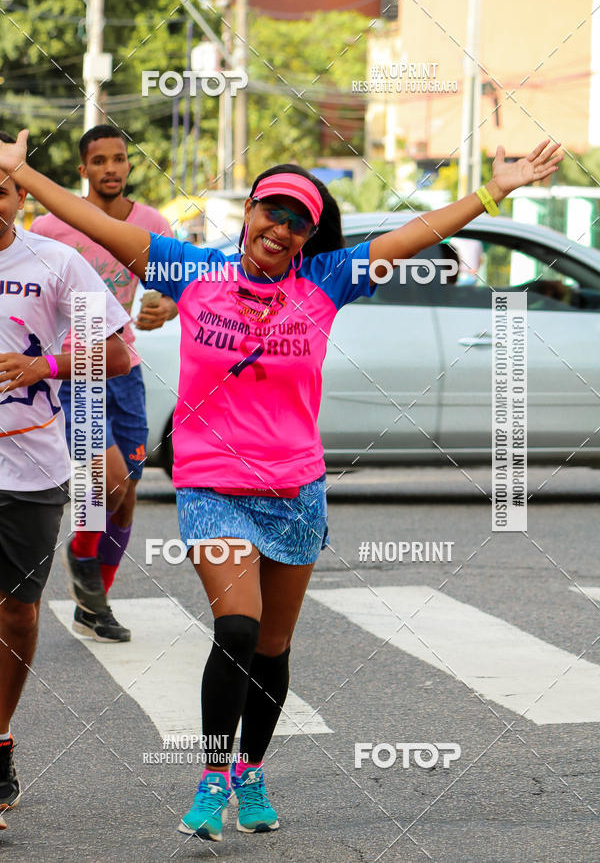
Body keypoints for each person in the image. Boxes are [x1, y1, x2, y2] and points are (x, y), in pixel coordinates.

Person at [0, 131, 562, 842]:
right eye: (273, 211)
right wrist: (24, 174)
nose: (282, 229)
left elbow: (416, 233)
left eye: (298, 222)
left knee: (272, 646)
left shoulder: (326, 280)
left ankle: (251, 769)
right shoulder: (191, 270)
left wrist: (494, 190)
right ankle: (212, 778)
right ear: (250, 212)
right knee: (235, 627)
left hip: (295, 489)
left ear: (307, 237)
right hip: (212, 485)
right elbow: (92, 222)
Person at [0, 131, 131, 830]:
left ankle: (0, 737)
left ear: (19, 197)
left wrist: (44, 366)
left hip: (29, 468)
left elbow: (116, 356)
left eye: (0, 190)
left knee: (16, 613)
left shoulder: (54, 263)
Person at [29, 125, 177, 642]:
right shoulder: (51, 225)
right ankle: (80, 552)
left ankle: (94, 607)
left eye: (119, 159)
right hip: (75, 370)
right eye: (99, 161)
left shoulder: (152, 224)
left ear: (129, 165)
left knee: (127, 492)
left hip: (124, 369)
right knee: (107, 483)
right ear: (83, 170)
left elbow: (175, 288)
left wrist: (165, 307)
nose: (111, 168)